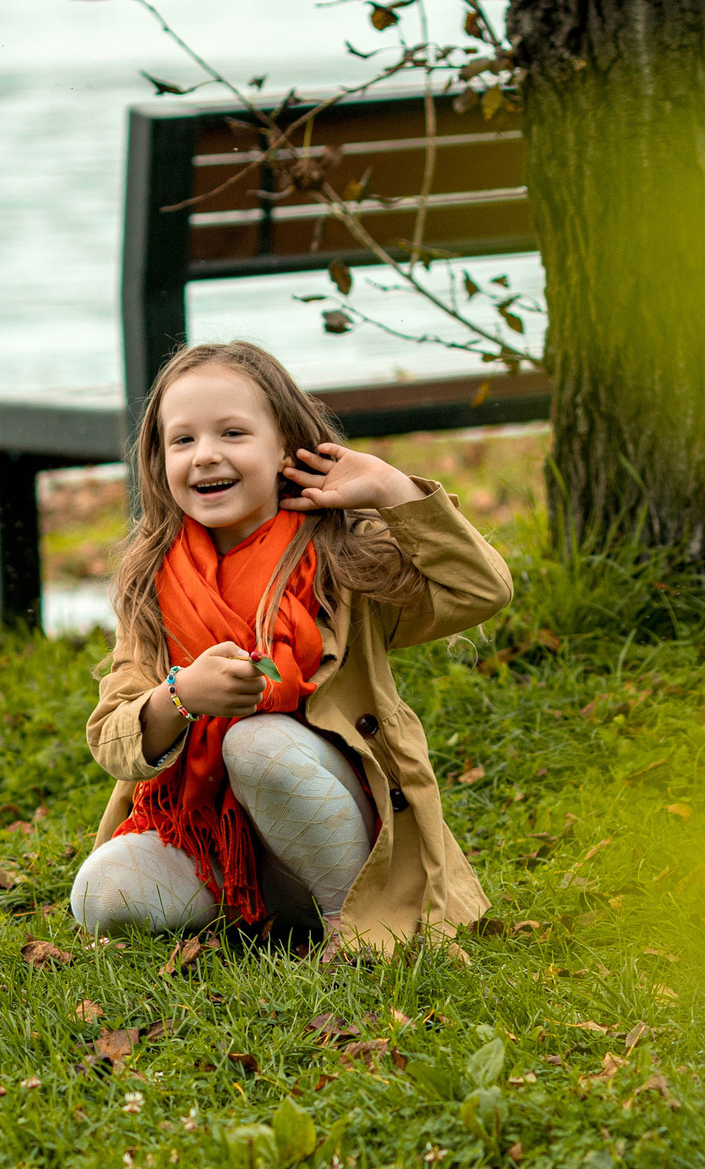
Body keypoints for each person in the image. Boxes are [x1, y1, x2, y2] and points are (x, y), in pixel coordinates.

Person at [69, 341, 515, 955]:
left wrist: (391, 490)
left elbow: (480, 590)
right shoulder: (154, 580)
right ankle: (258, 905)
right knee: (102, 892)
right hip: (222, 840)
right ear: (158, 458)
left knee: (254, 740)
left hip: (339, 827)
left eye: (232, 432)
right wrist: (180, 696)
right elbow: (111, 738)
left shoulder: (340, 551)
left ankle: (350, 924)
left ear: (283, 444)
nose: (207, 456)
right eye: (183, 440)